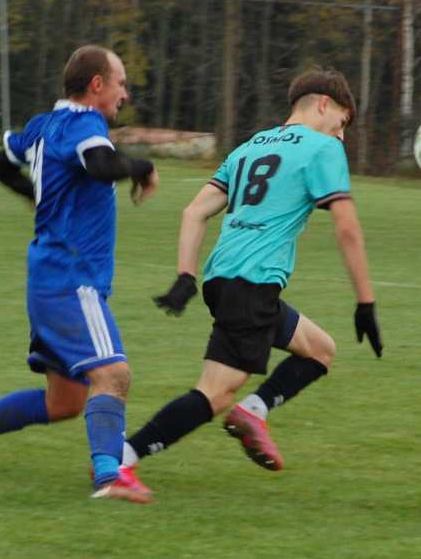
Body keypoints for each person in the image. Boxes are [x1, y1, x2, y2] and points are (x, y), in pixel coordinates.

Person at [119, 68, 383, 491]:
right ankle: (122, 460)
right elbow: (347, 228)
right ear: (323, 105)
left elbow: (194, 212)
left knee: (319, 350)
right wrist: (366, 303)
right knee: (215, 393)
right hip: (252, 285)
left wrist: (185, 276)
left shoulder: (251, 145)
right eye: (343, 123)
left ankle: (253, 412)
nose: (342, 136)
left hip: (224, 280)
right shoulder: (322, 148)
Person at [0, 44, 159, 504]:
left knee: (64, 402)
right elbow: (100, 164)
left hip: (48, 274)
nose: (124, 94)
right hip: (72, 278)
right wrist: (141, 168)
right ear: (97, 85)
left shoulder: (43, 125)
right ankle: (110, 477)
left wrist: (36, 196)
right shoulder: (85, 123)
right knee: (114, 375)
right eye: (121, 83)